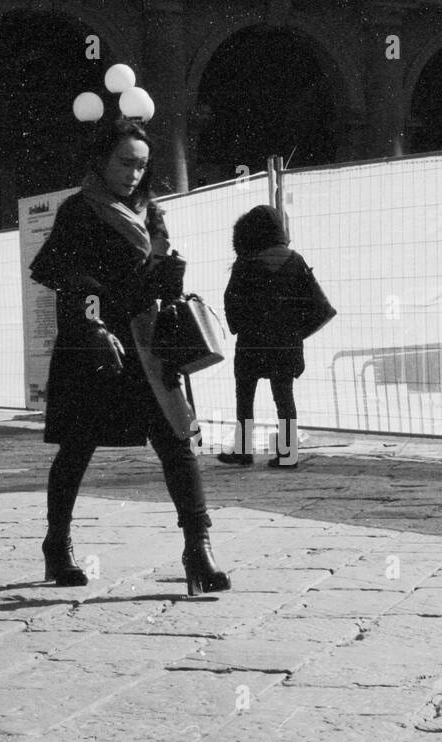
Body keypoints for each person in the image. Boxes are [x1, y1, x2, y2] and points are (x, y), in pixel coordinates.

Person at [29, 118, 230, 596]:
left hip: (149, 343)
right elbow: (69, 281)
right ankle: (57, 545)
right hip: (97, 346)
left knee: (177, 442)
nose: (135, 174)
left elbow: (158, 284)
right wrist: (94, 325)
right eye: (126, 163)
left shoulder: (150, 212)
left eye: (142, 165)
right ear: (101, 160)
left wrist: (168, 271)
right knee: (77, 447)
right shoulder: (78, 211)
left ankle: (198, 550)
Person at [219, 204, 330, 469]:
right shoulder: (296, 261)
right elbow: (319, 306)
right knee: (285, 399)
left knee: (244, 397)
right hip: (286, 343)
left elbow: (230, 301)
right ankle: (288, 454)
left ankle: (244, 451)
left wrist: (241, 327)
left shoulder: (246, 263)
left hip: (252, 343)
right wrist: (296, 331)